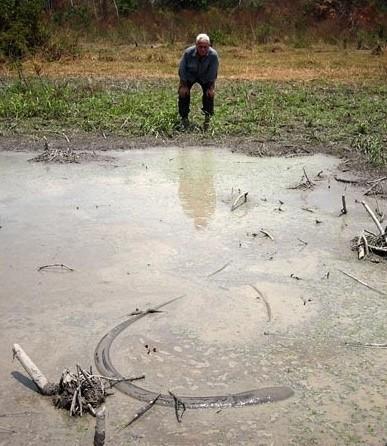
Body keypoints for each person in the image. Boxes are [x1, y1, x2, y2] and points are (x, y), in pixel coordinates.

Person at [178, 33, 219, 130]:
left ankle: (207, 118)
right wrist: (183, 85)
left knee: (209, 94)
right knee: (183, 93)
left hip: (205, 77)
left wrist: (211, 87)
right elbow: (182, 69)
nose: (203, 49)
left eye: (205, 47)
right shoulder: (188, 53)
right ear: (196, 45)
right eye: (200, 47)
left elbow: (213, 72)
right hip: (189, 76)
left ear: (209, 46)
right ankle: (184, 118)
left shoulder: (213, 55)